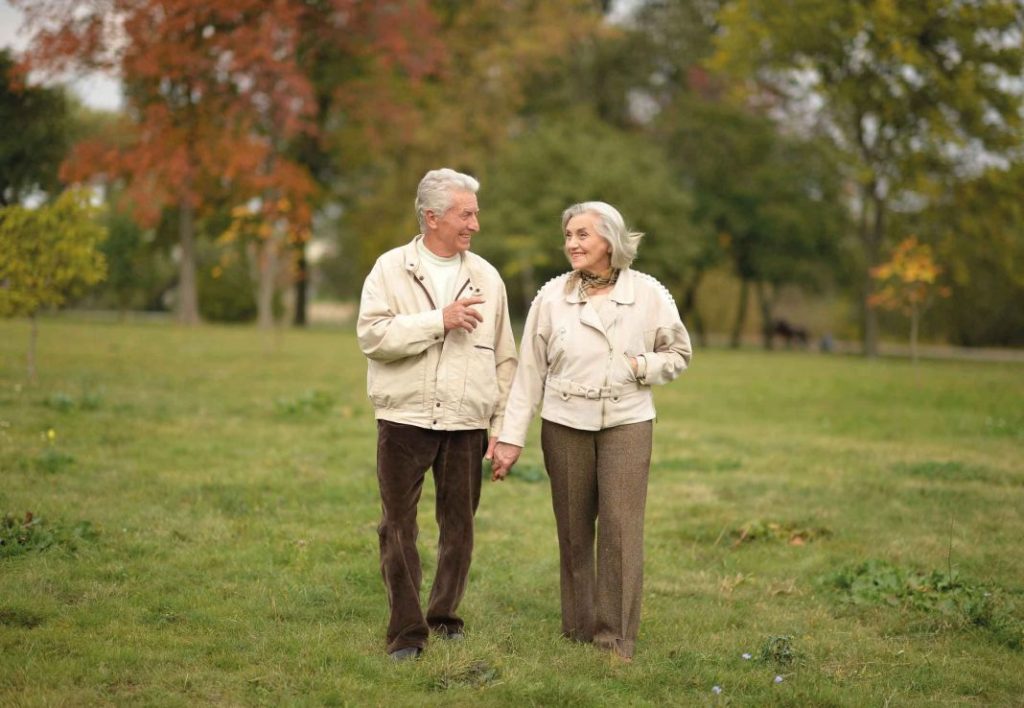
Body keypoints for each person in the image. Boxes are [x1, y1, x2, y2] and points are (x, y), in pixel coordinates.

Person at [491, 201, 691, 662]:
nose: (572, 244)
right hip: (563, 423)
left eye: (582, 235)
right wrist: (509, 437)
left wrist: (642, 365)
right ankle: (578, 627)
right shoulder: (550, 298)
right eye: (568, 235)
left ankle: (615, 637)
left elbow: (679, 354)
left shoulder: (649, 294)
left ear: (609, 240)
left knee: (621, 529)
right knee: (574, 528)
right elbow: (528, 374)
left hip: (628, 421)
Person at [357, 168, 517, 661]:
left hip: (467, 423)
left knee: (460, 526)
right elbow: (373, 338)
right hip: (404, 418)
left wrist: (502, 430)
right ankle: (407, 631)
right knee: (397, 527)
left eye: (474, 213)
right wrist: (438, 320)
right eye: (465, 213)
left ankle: (444, 616)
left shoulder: (487, 276)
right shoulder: (390, 269)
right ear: (431, 216)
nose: (475, 224)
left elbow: (505, 358)